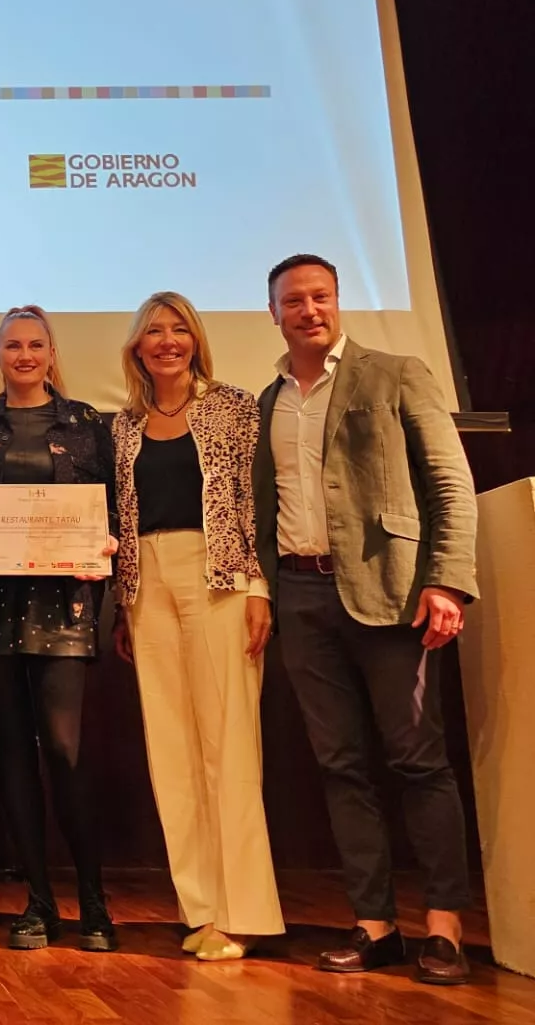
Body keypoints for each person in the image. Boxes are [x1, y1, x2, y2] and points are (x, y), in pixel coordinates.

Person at [254, 254, 477, 986]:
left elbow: (448, 480)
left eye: (319, 296)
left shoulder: (397, 372)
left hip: (391, 593)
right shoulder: (266, 400)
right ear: (274, 312)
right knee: (339, 765)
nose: (308, 309)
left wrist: (446, 580)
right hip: (300, 595)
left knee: (417, 760)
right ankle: (374, 923)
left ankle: (443, 925)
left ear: (337, 301)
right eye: (293, 300)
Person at [109, 291, 284, 962]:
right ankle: (200, 908)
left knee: (228, 746)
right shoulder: (123, 423)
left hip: (221, 580)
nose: (166, 339)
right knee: (171, 752)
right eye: (152, 330)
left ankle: (243, 910)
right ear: (135, 347)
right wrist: (123, 603)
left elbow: (253, 502)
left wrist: (257, 587)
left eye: (177, 327)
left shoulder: (235, 406)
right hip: (144, 588)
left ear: (194, 338)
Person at [0, 306, 118, 952]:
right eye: (12, 345)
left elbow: (113, 505)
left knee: (63, 749)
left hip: (66, 604)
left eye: (35, 344)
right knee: (13, 755)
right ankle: (36, 904)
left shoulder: (86, 422)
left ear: (50, 352)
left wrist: (103, 544)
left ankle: (93, 901)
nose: (24, 355)